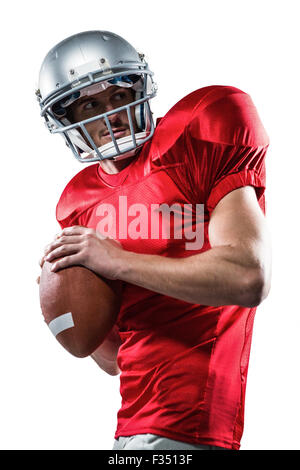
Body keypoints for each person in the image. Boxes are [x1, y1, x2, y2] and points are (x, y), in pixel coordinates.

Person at [36, 30, 272, 451]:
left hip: (193, 421)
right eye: (89, 104)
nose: (111, 115)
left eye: (119, 96)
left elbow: (249, 276)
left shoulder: (197, 134)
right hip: (130, 427)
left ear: (142, 90)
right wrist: (64, 306)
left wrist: (115, 261)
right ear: (66, 120)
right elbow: (112, 360)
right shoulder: (78, 201)